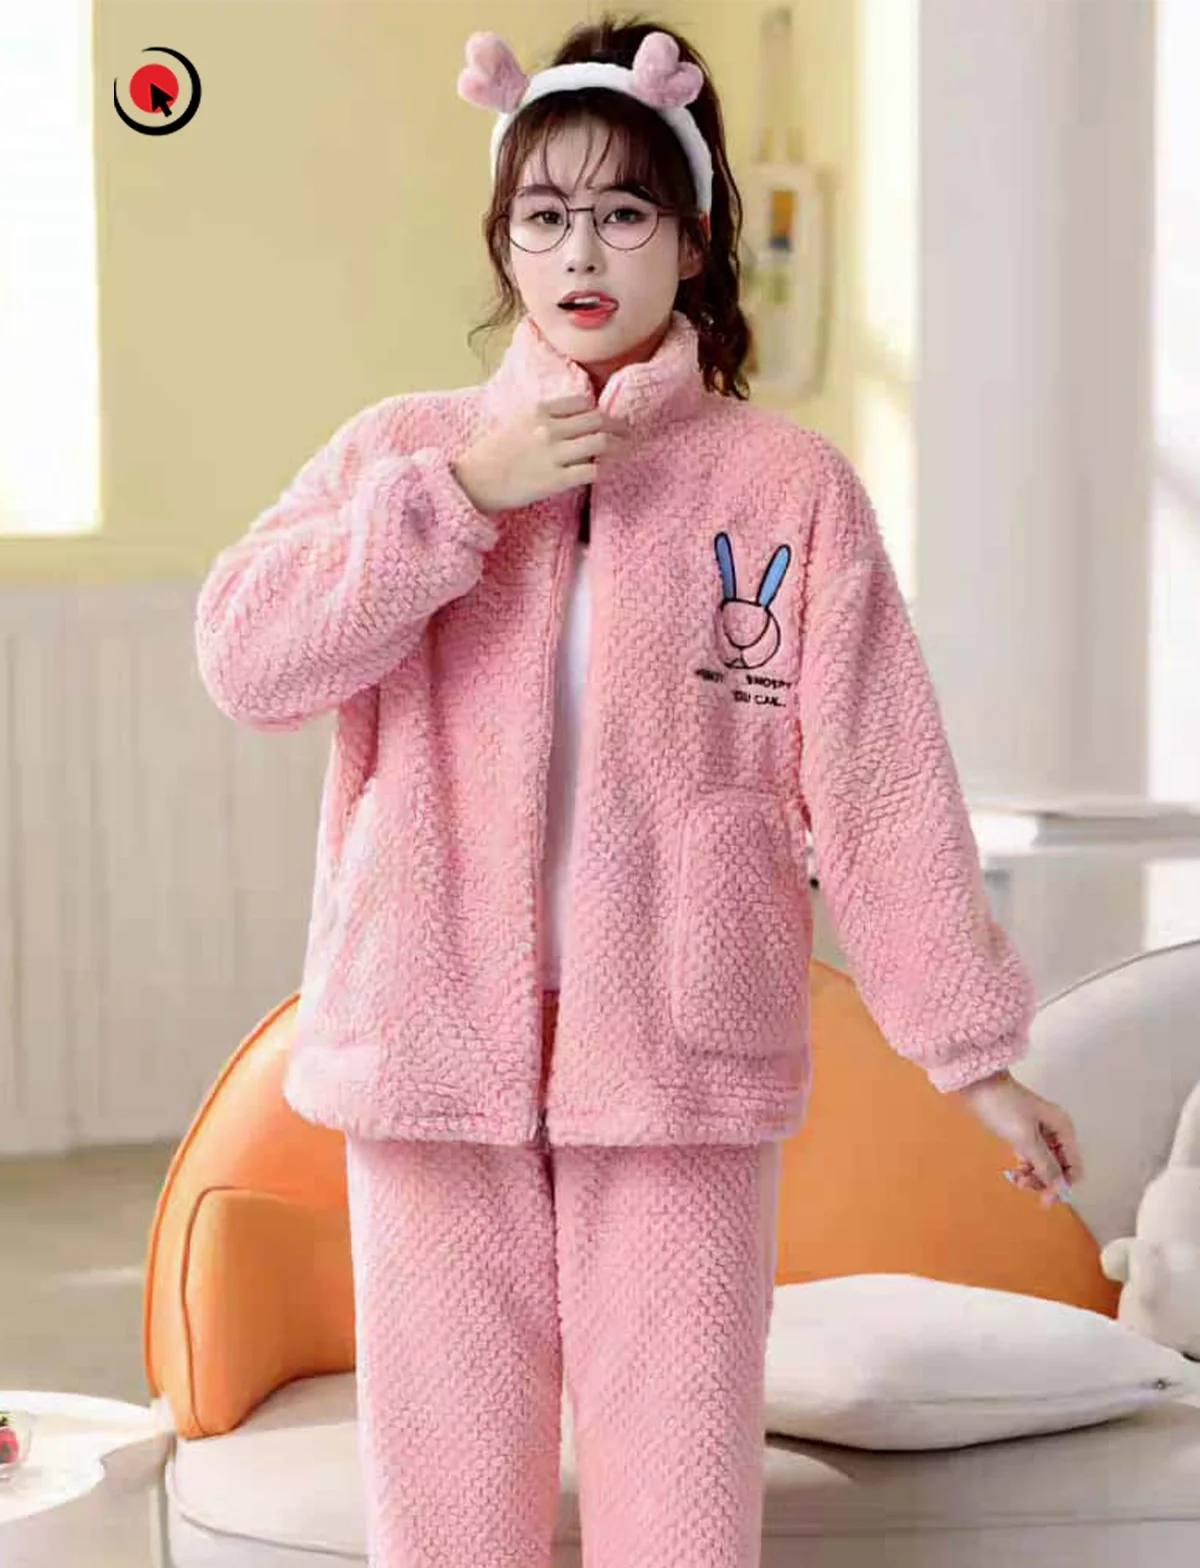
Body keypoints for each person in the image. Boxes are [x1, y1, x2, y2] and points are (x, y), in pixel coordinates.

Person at [194, 14, 1084, 1567]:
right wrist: (457, 501)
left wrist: (974, 1055)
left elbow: (880, 785)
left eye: (624, 211)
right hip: (431, 1047)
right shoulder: (408, 453)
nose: (582, 251)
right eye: (545, 216)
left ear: (693, 236)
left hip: (681, 1053)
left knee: (680, 1506)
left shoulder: (785, 489)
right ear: (503, 242)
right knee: (449, 1513)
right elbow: (246, 659)